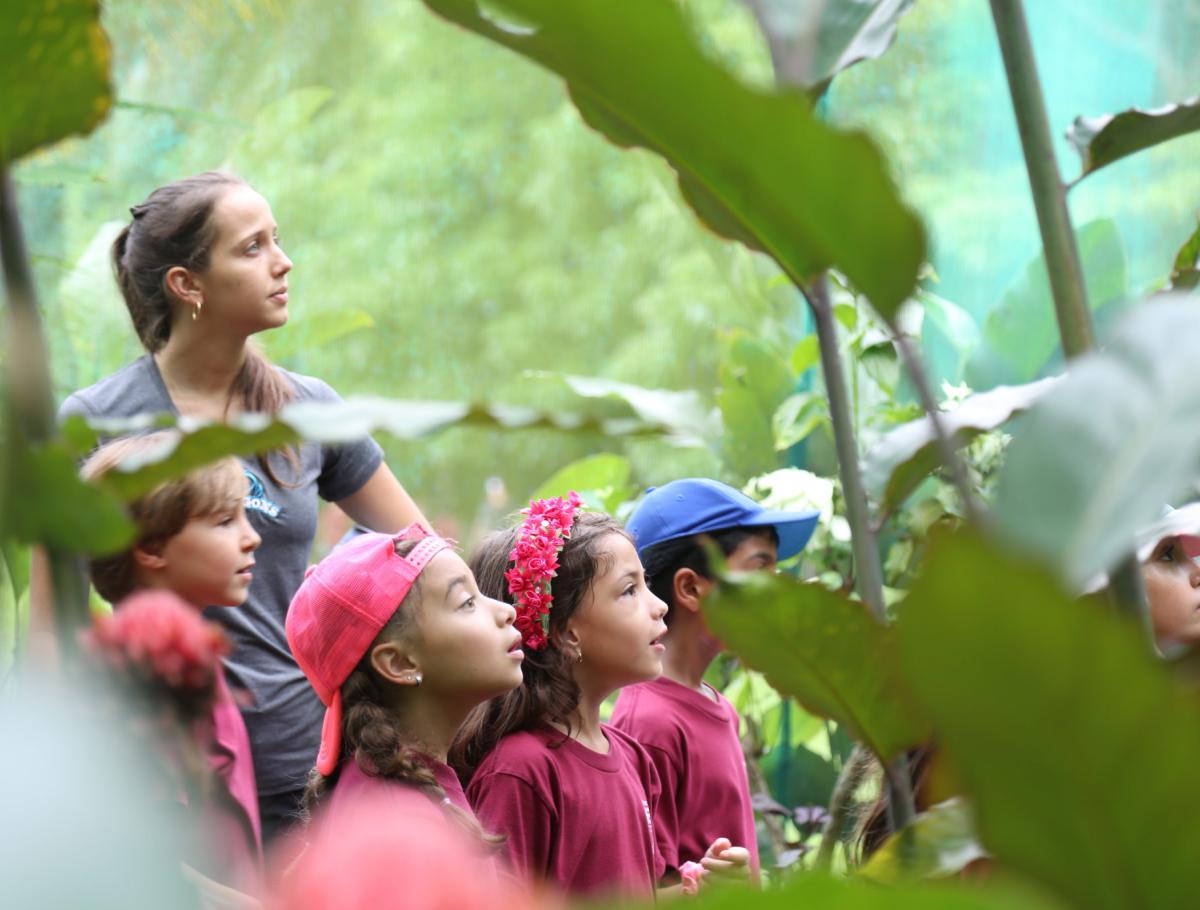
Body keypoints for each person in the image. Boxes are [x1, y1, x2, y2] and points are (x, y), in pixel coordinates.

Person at [57, 171, 427, 840]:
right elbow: (53, 632)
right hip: (164, 775)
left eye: (277, 240)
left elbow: (422, 556)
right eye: (253, 247)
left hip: (305, 764)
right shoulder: (93, 422)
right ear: (186, 284)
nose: (283, 262)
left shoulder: (308, 409)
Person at [451, 494, 750, 899]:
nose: (659, 606)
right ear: (565, 632)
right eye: (629, 591)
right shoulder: (521, 771)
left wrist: (697, 890)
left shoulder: (633, 758)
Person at [610, 478, 820, 884]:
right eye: (760, 568)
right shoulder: (649, 725)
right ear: (690, 588)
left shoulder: (715, 704)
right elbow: (644, 882)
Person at [81, 434, 264, 899]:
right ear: (151, 547)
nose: (252, 536)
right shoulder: (140, 678)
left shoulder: (194, 658)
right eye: (226, 521)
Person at [285, 524, 523, 846]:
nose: (506, 611)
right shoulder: (403, 827)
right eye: (467, 602)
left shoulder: (394, 789)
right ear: (399, 663)